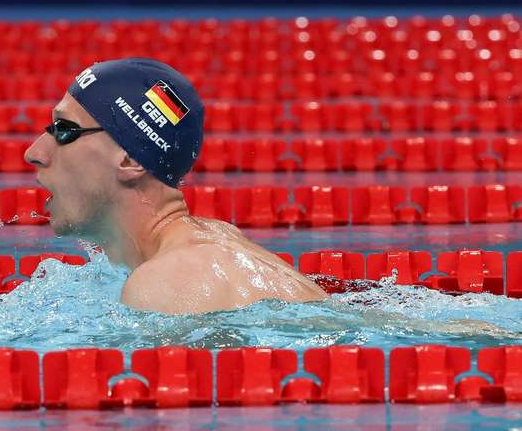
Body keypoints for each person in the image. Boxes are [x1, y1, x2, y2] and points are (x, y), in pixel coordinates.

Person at [23, 57, 327, 314]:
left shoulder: (166, 284)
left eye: (64, 130)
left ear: (130, 160)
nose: (34, 153)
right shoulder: (211, 240)